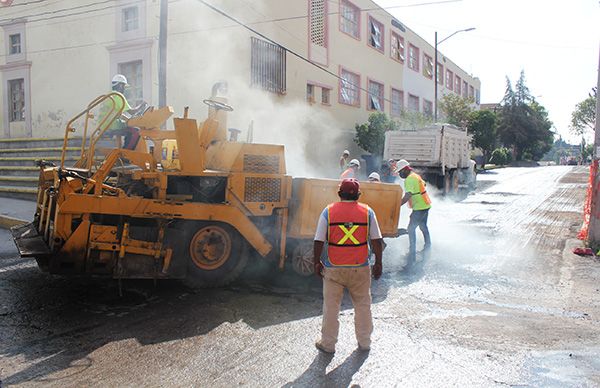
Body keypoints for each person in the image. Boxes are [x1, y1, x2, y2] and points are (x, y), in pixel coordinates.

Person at [313, 178, 384, 354]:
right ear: (358, 195)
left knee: (331, 307)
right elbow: (377, 240)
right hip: (360, 267)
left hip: (334, 267)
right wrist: (379, 263)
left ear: (339, 194)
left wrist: (316, 261)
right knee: (363, 305)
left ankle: (328, 344)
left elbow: (318, 240)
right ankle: (364, 342)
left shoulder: (328, 212)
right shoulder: (368, 212)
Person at [395, 159, 432, 266]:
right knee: (423, 226)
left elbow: (408, 196)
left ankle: (412, 253)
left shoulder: (409, 179)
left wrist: (396, 206)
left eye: (400, 172)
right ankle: (427, 247)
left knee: (411, 228)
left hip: (420, 207)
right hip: (425, 205)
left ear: (405, 170)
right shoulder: (415, 175)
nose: (400, 174)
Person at [99, 74, 140, 150]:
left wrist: (128, 119)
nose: (124, 89)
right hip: (112, 124)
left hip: (103, 124)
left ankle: (123, 151)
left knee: (129, 128)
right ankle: (126, 153)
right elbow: (131, 112)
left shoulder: (109, 95)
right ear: (120, 85)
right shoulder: (118, 95)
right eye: (124, 86)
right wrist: (141, 106)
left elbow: (117, 114)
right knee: (136, 131)